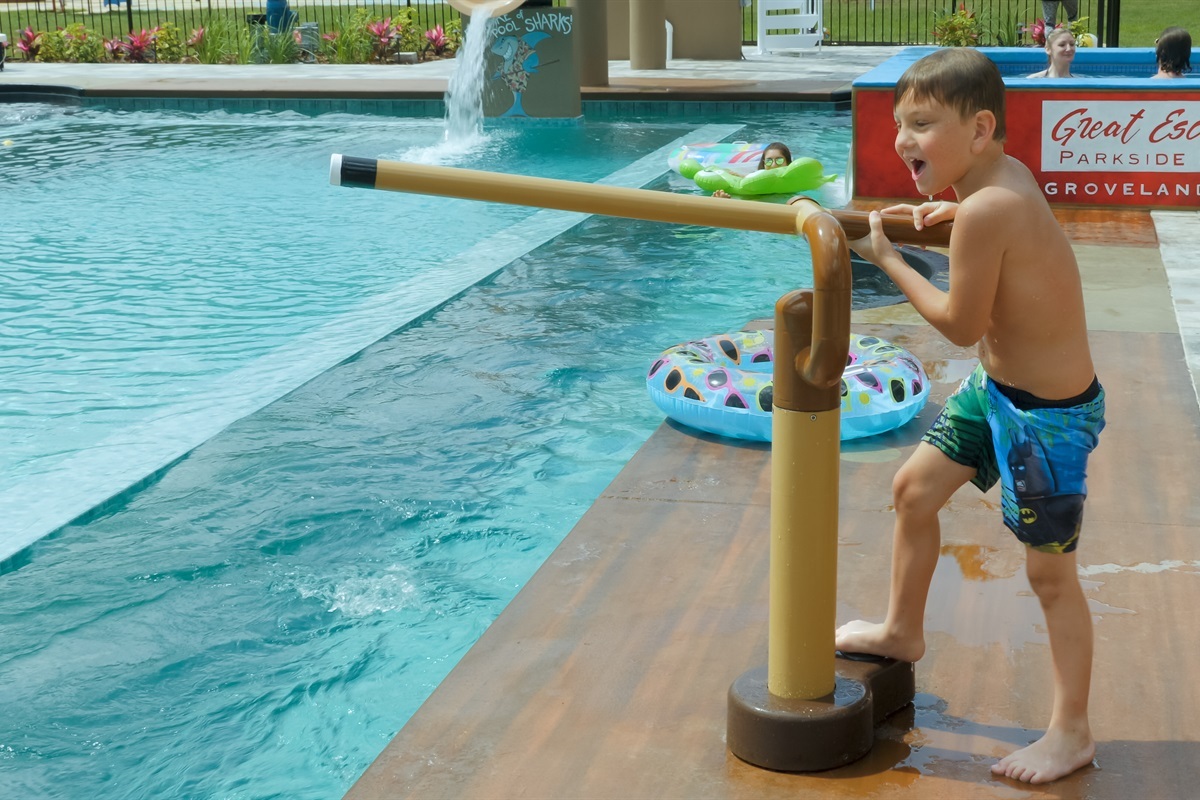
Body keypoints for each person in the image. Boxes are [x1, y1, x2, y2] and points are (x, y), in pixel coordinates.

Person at [836, 48, 1105, 785]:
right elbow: (1008, 231)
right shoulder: (996, 186)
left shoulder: (989, 208)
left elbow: (959, 324)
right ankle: (902, 630)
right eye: (900, 124)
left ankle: (1072, 731)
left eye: (922, 124)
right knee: (913, 491)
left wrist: (885, 255)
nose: (902, 140)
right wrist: (958, 212)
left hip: (1048, 419)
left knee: (1051, 578)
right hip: (997, 393)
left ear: (980, 128)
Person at [712, 142, 791, 199]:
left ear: (788, 162)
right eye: (769, 161)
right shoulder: (753, 182)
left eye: (779, 160)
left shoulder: (793, 184)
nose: (774, 165)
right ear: (764, 163)